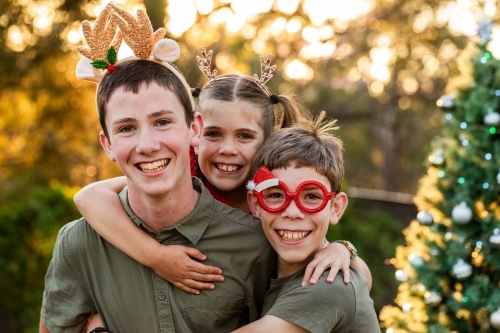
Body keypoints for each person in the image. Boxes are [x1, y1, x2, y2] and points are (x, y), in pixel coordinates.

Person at [40, 4, 368, 333]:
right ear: (106, 143)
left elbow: (329, 283)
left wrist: (344, 250)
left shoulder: (265, 235)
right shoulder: (81, 241)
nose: (148, 144)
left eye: (162, 122)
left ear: (191, 129)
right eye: (126, 128)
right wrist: (155, 257)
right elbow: (90, 196)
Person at [233, 112, 380, 332]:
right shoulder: (264, 266)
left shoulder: (329, 287)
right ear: (256, 204)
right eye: (275, 195)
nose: (293, 212)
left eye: (311, 196)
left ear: (336, 207)